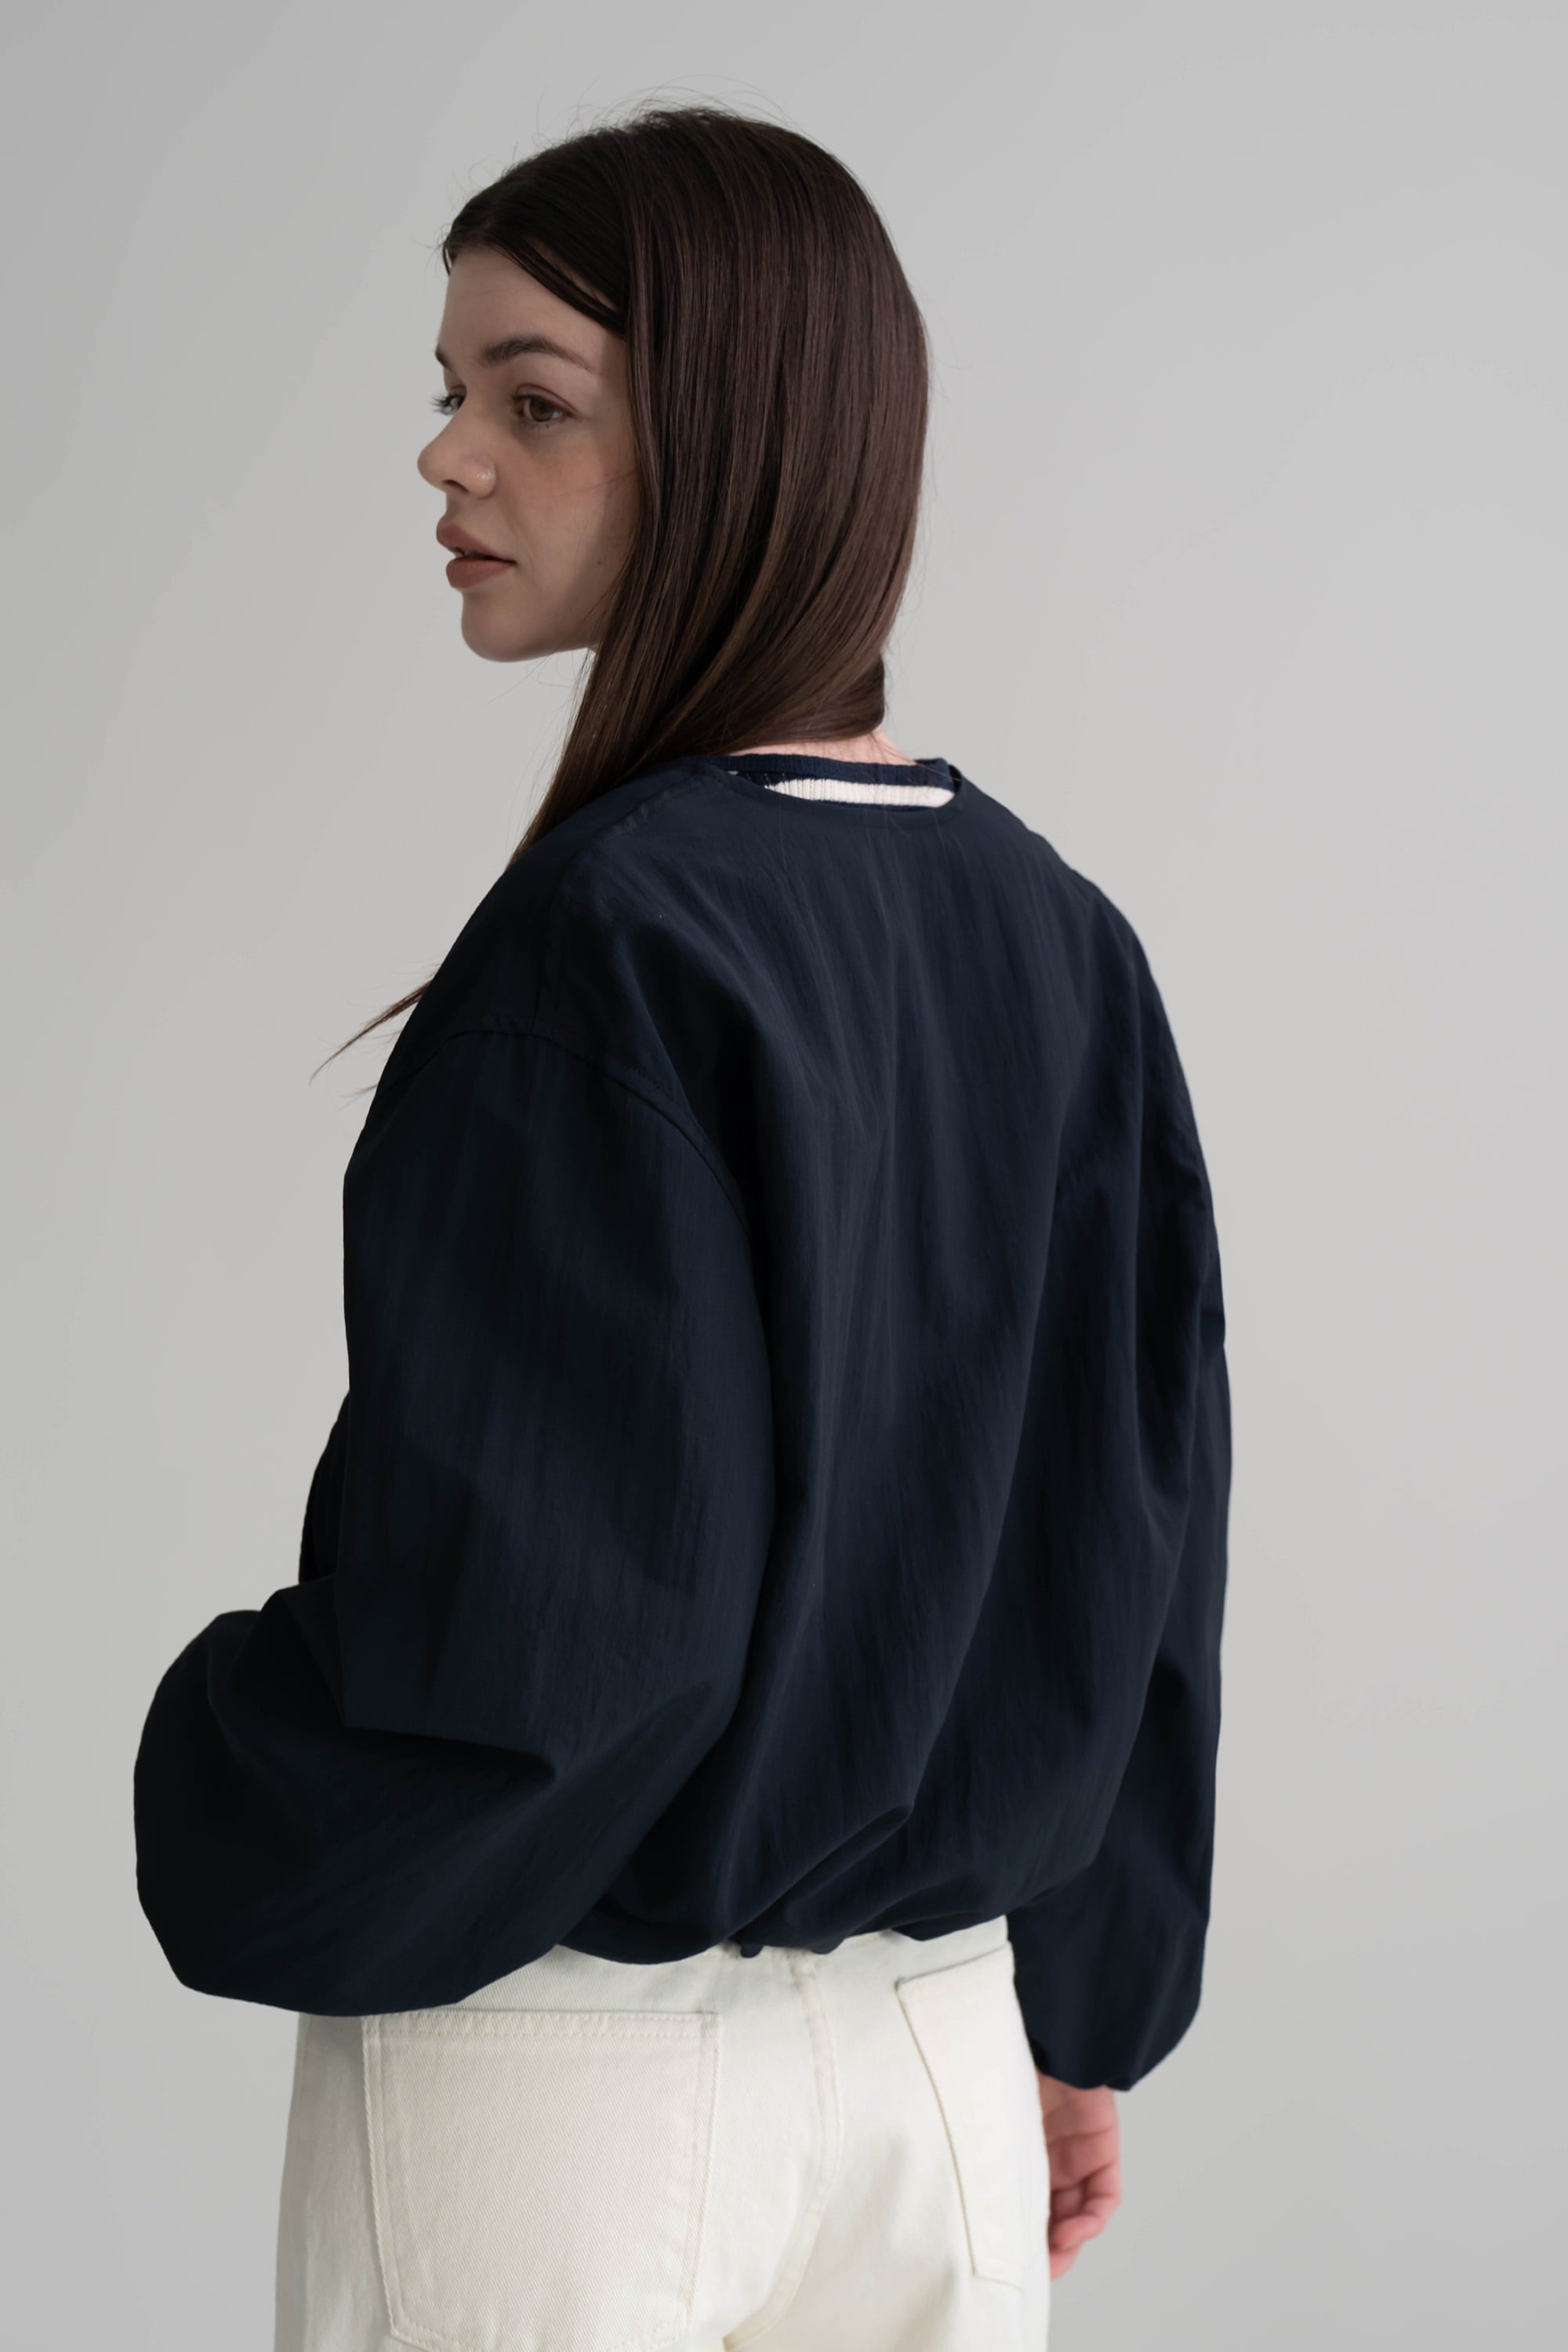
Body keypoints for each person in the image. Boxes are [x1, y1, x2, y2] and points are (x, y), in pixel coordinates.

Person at [133, 102, 1230, 2352]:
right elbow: (1137, 1530)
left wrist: (219, 1762)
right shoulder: (1059, 934)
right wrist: (1085, 2005)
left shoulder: (617, 937)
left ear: (741, 434)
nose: (448, 457)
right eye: (452, 390)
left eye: (534, 401)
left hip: (571, 2077)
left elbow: (558, 1657)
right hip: (939, 2063)